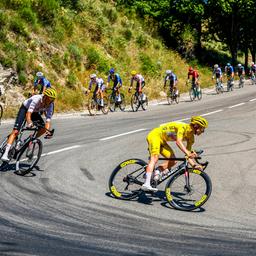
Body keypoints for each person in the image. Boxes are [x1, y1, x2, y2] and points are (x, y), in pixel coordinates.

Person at [142, 116, 208, 192]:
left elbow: (188, 155)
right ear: (196, 126)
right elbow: (178, 142)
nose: (203, 131)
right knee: (155, 158)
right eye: (202, 128)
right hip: (155, 135)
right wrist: (188, 153)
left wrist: (194, 165)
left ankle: (156, 172)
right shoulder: (183, 127)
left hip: (162, 141)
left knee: (173, 161)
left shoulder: (191, 138)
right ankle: (146, 184)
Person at [1, 88, 57, 162]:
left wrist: (47, 131)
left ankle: (32, 139)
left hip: (35, 112)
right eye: (49, 99)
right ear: (45, 96)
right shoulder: (37, 99)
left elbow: (48, 121)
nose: (50, 101)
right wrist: (29, 122)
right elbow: (28, 113)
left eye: (52, 100)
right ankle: (5, 153)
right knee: (16, 131)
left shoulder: (50, 105)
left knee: (43, 128)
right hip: (25, 109)